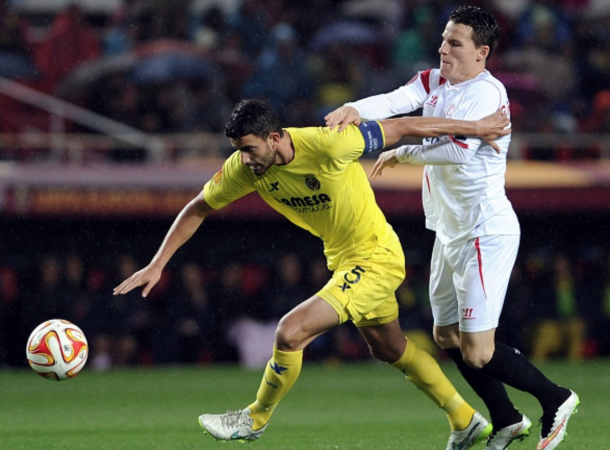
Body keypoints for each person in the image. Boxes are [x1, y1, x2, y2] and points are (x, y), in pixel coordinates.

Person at [114, 98, 508, 449]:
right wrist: (158, 262)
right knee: (390, 348)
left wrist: (476, 128)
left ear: (274, 137)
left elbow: (402, 126)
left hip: (375, 257)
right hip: (344, 260)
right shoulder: (245, 168)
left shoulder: (330, 142)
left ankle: (254, 418)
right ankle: (465, 419)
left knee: (290, 331)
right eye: (239, 151)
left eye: (250, 149)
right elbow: (199, 206)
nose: (245, 159)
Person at [325, 6, 579, 450]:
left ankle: (556, 398)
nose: (443, 49)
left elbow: (459, 151)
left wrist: (402, 152)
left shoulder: (486, 94)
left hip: (485, 229)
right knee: (446, 336)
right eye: (443, 40)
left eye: (454, 43)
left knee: (479, 349)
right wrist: (353, 108)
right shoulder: (434, 81)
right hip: (450, 231)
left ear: (481, 53)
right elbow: (393, 101)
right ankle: (505, 418)